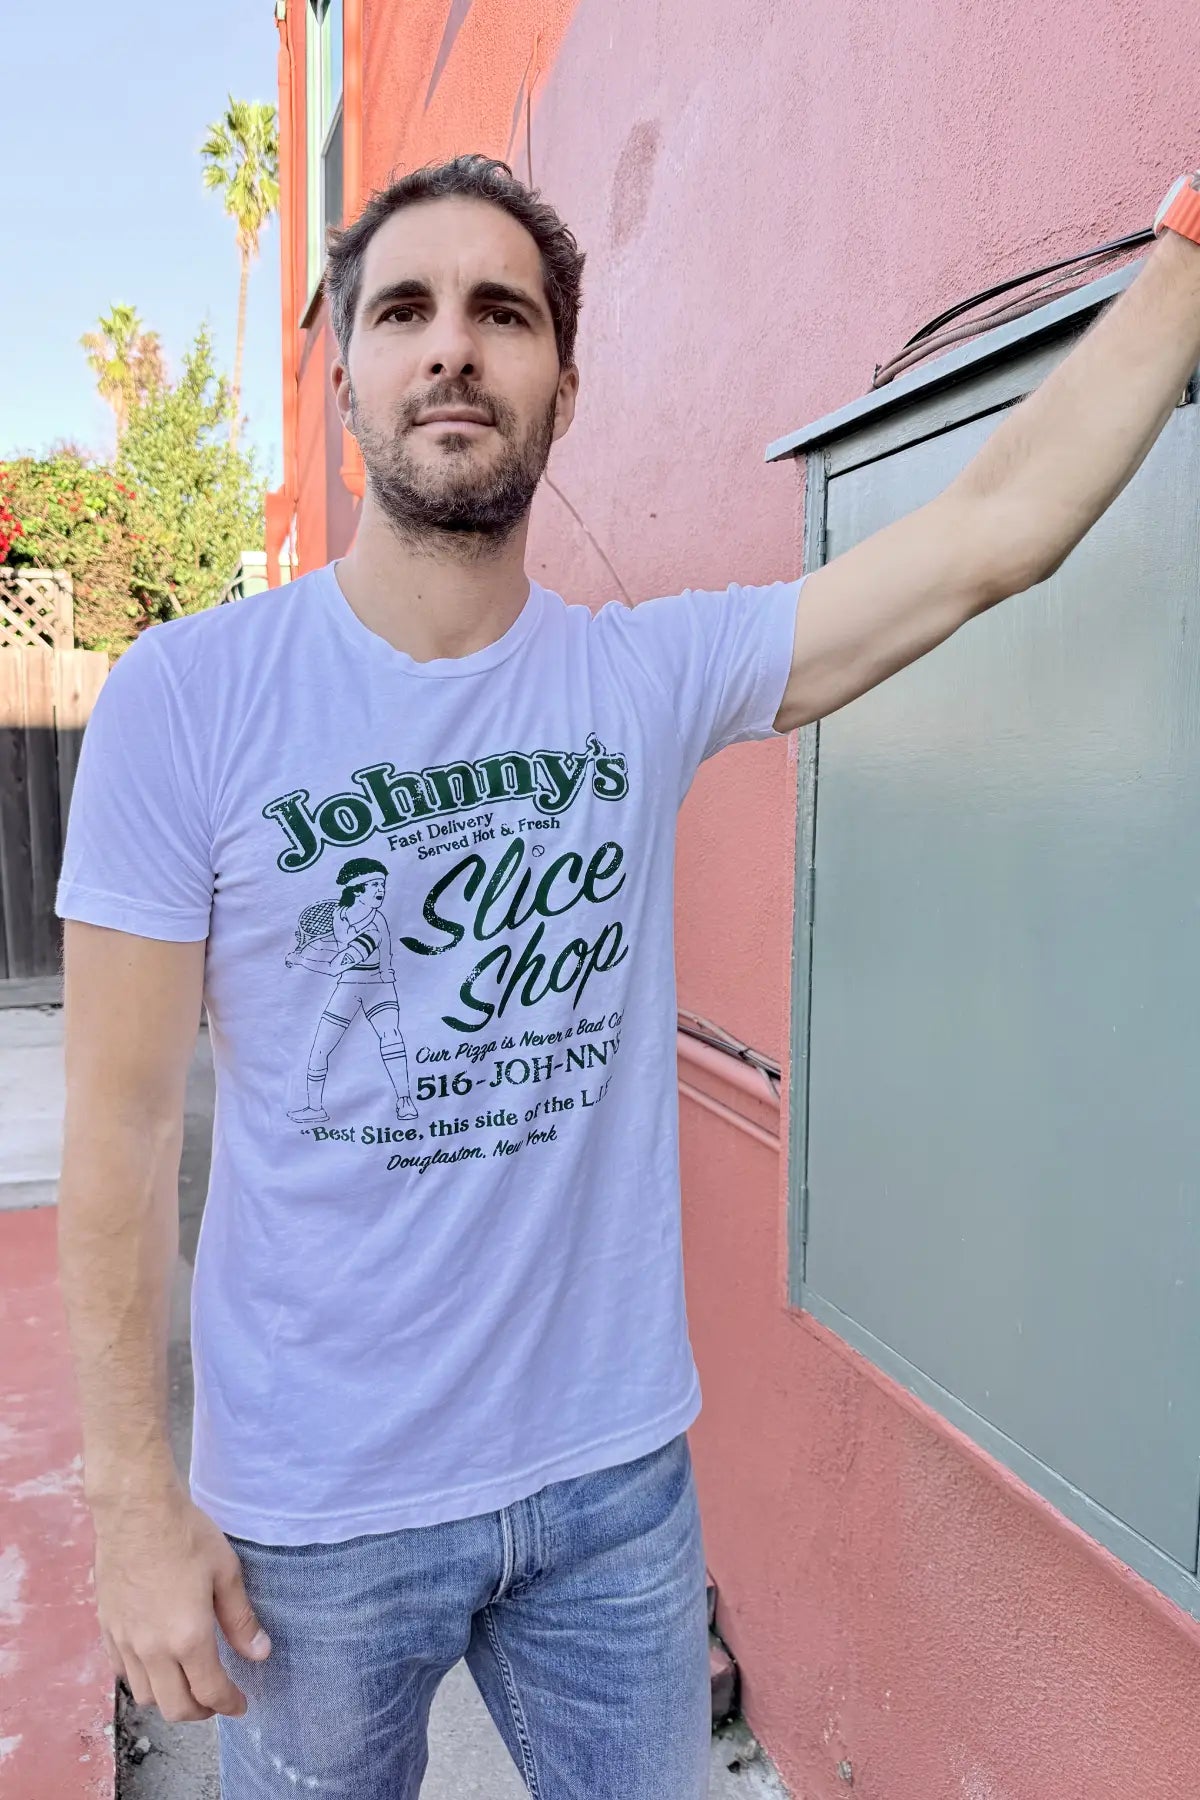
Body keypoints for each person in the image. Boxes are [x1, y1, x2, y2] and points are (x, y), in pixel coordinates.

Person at [56, 155, 1200, 1799]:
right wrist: (135, 1508)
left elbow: (990, 533)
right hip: (317, 1511)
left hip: (608, 1492)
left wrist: (1186, 248)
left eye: (501, 313)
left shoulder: (635, 683)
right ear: (351, 376)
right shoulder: (194, 699)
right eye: (407, 309)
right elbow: (116, 1129)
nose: (453, 346)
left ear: (563, 385)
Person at [284, 856, 419, 1126]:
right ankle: (314, 1108)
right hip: (348, 986)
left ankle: (404, 1100)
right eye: (374, 885)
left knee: (390, 1036)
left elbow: (338, 963)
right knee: (320, 1047)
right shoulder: (338, 915)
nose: (381, 890)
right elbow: (334, 948)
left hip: (379, 986)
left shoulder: (376, 924)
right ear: (357, 889)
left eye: (382, 884)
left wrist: (301, 959)